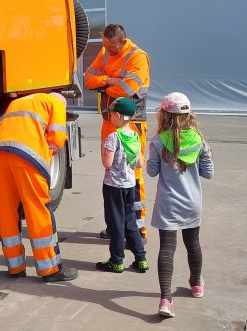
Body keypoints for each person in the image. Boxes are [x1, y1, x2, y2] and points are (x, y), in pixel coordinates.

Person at [0, 92, 78, 282]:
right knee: (37, 210)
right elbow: (56, 138)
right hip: (27, 157)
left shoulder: (19, 102)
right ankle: (50, 269)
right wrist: (43, 161)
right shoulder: (55, 103)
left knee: (7, 211)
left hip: (0, 154)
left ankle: (15, 267)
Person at [146, 92, 214, 318]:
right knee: (193, 243)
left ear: (164, 114)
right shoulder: (200, 140)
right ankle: (196, 284)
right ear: (188, 114)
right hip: (192, 203)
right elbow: (208, 173)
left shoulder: (158, 141)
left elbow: (152, 171)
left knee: (166, 249)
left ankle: (166, 300)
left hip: (168, 204)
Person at [83, 24, 150, 241]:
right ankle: (115, 227)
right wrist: (109, 81)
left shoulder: (138, 57)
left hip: (132, 124)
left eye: (112, 47)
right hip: (109, 122)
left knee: (133, 176)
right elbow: (87, 79)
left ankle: (138, 231)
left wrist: (103, 86)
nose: (108, 51)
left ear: (123, 41)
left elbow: (128, 89)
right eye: (106, 45)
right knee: (111, 176)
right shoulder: (105, 52)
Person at [94, 97, 148, 274]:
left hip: (113, 187)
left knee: (116, 224)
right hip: (130, 185)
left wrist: (103, 151)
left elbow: (107, 164)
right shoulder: (134, 135)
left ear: (117, 115)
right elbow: (139, 163)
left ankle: (116, 261)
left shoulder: (112, 138)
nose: (109, 117)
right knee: (130, 222)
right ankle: (141, 259)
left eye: (110, 114)